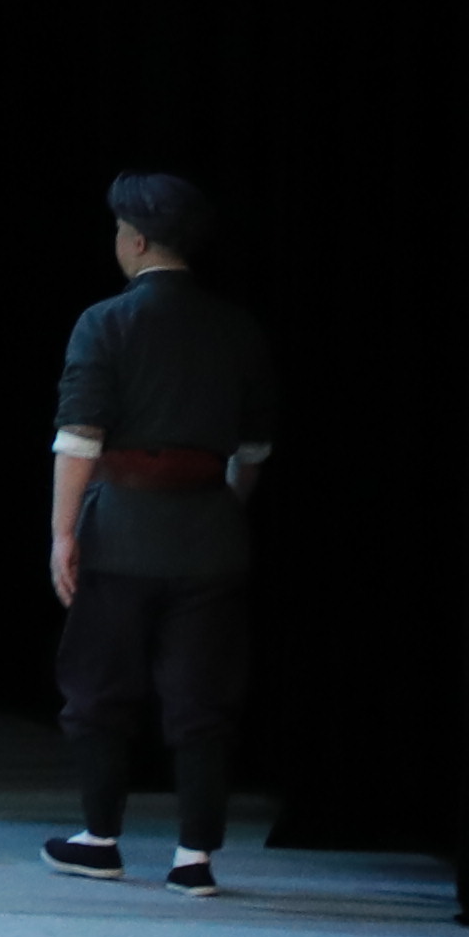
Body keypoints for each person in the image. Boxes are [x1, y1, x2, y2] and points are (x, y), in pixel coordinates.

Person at [47, 171, 278, 890]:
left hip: (120, 533)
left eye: (120, 230)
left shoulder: (105, 322)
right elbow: (254, 449)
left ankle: (100, 838)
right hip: (211, 536)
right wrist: (218, 504)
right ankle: (194, 857)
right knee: (202, 699)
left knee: (98, 687)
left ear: (138, 241)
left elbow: (79, 438)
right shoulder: (237, 327)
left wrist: (62, 533)